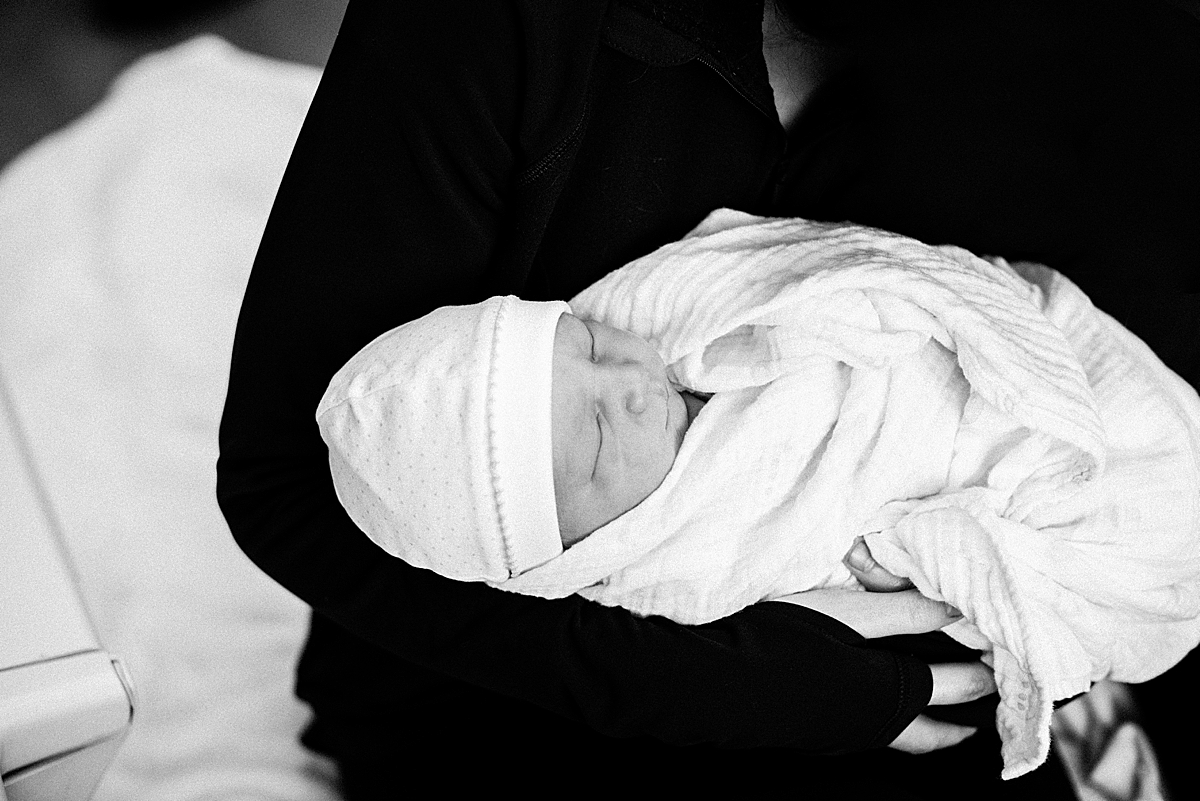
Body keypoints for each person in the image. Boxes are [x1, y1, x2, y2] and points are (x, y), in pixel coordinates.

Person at [218, 1, 1200, 797]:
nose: (637, 384)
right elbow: (282, 481)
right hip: (526, 683)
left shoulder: (1111, 64)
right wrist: (748, 679)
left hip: (971, 598)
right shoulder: (508, 26)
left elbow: (1090, 375)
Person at [314, 211, 1200, 782]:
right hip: (979, 498)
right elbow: (816, 569)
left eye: (581, 342)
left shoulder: (650, 315)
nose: (625, 385)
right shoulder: (673, 561)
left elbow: (802, 272)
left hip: (1008, 375)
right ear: (578, 549)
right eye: (592, 445)